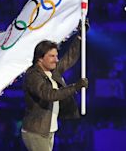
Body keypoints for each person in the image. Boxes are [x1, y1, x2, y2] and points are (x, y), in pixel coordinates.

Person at [21, 20, 89, 151]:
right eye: (52, 56)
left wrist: (80, 36)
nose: (56, 60)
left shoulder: (52, 71)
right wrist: (75, 87)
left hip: (48, 131)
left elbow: (69, 58)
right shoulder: (33, 75)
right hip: (35, 132)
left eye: (56, 56)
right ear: (40, 58)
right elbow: (49, 94)